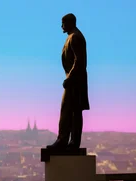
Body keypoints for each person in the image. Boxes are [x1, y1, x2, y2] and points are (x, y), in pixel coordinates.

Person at [47, 13, 90, 150]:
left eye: (63, 23)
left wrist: (69, 78)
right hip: (75, 80)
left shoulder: (75, 37)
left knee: (69, 110)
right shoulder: (72, 37)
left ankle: (65, 140)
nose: (61, 26)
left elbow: (79, 61)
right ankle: (70, 142)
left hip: (75, 81)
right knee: (73, 111)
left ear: (70, 23)